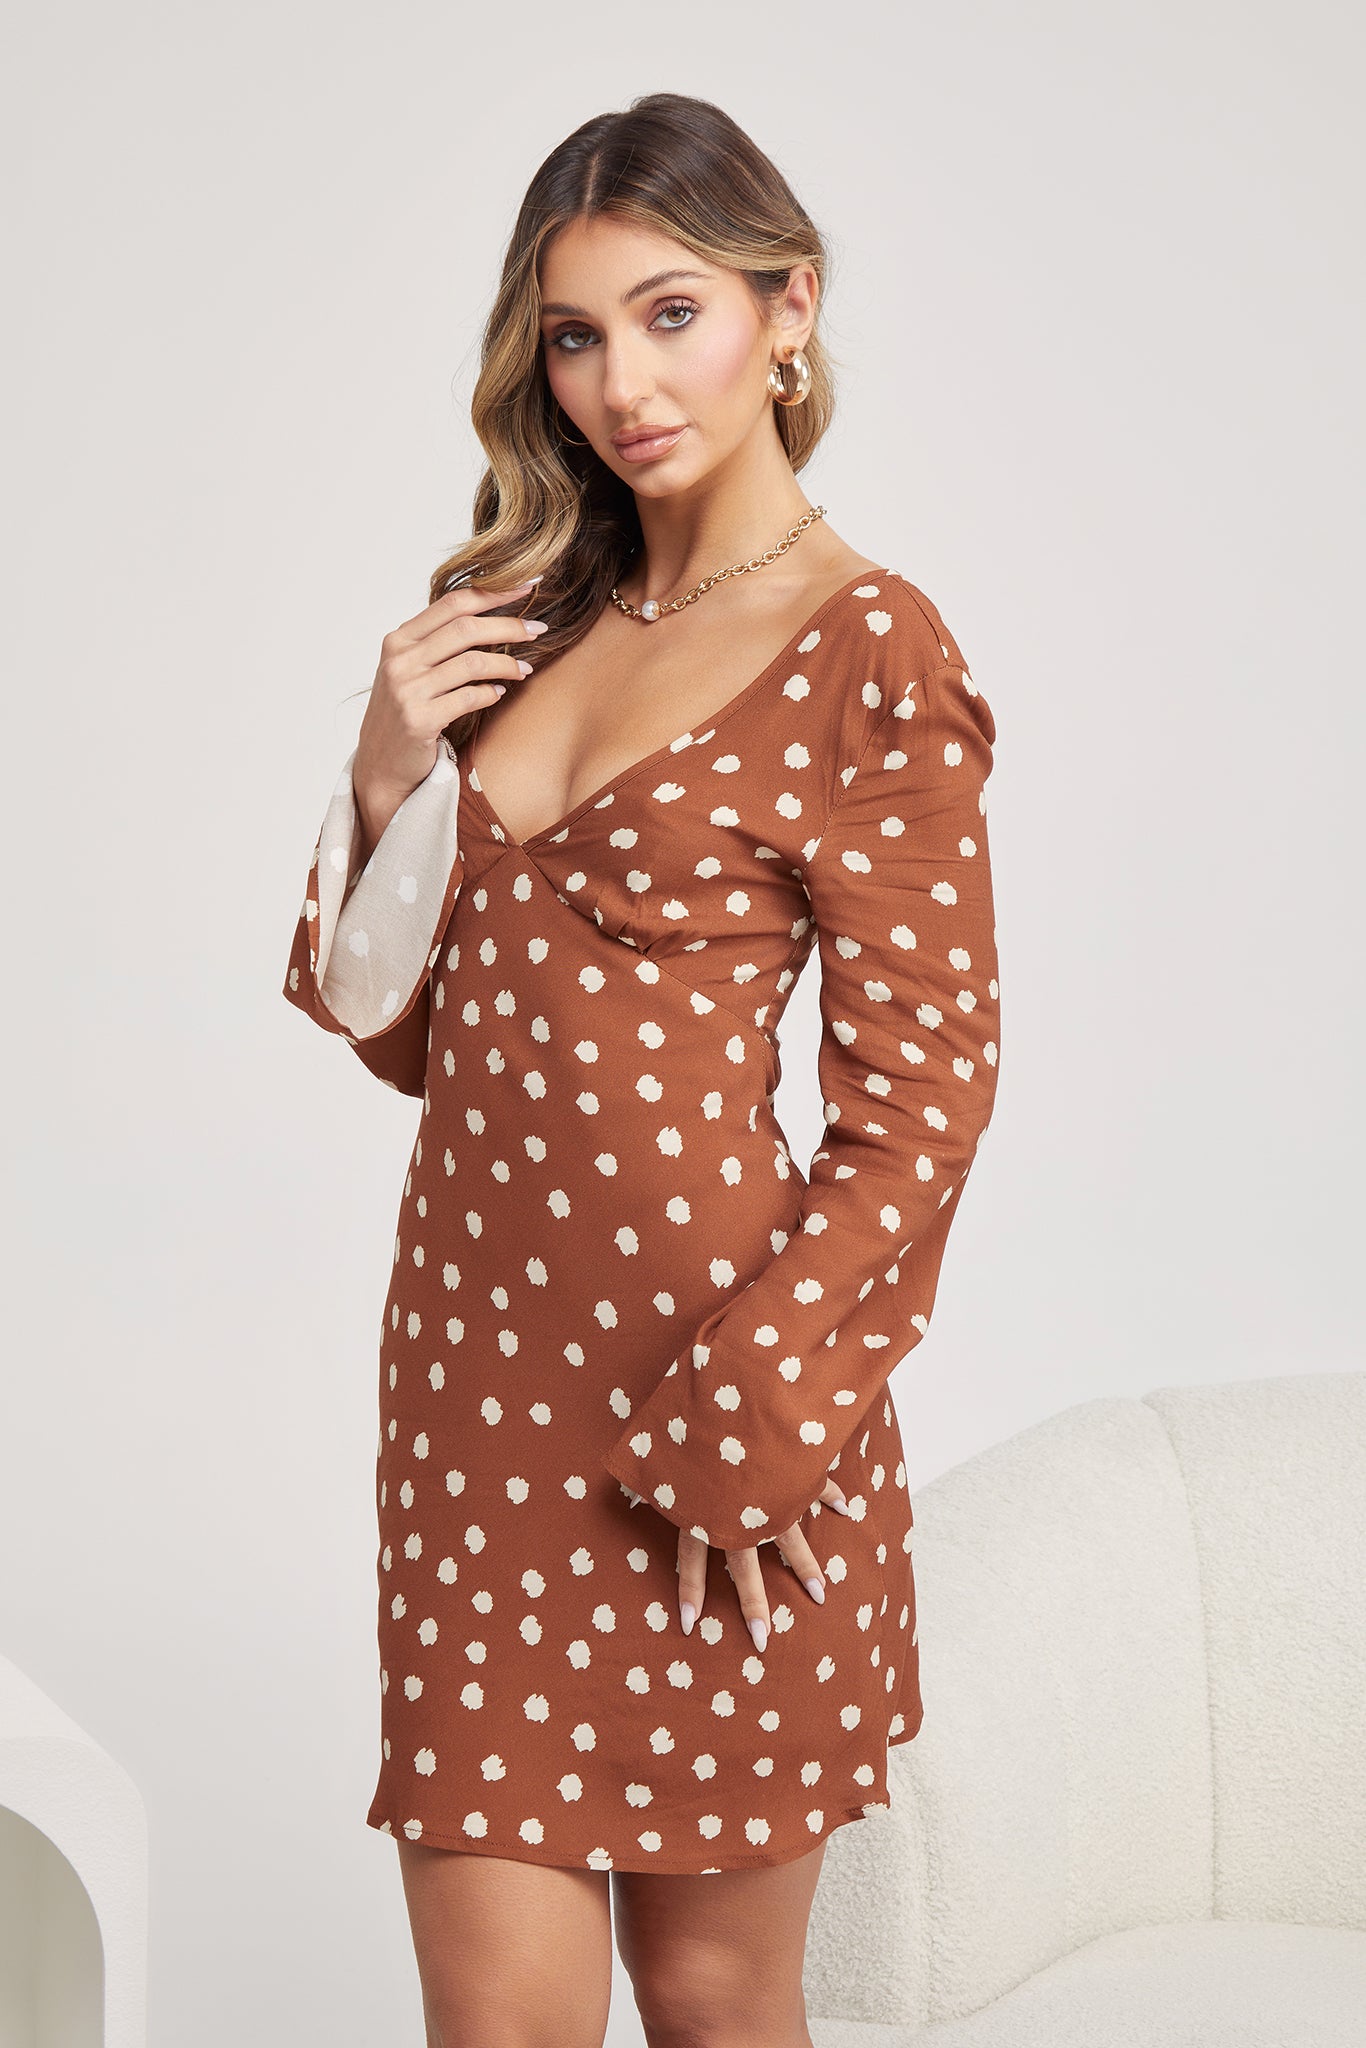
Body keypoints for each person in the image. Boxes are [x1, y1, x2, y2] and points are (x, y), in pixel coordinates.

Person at [282, 88, 1001, 2048]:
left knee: (704, 1996)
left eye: (667, 312)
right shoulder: (526, 613)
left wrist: (761, 1403)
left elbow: (921, 1094)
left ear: (787, 309)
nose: (618, 381)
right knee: (495, 2017)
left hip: (724, 1409)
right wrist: (381, 784)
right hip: (477, 1400)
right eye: (575, 334)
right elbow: (399, 1026)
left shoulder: (872, 649)